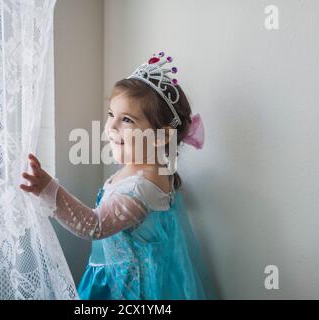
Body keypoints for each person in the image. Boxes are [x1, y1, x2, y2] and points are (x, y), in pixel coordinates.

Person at [21, 52, 215, 300]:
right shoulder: (155, 169)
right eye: (111, 114)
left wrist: (48, 189)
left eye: (127, 120)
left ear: (162, 136)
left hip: (124, 290)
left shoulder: (141, 188)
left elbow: (95, 226)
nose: (111, 127)